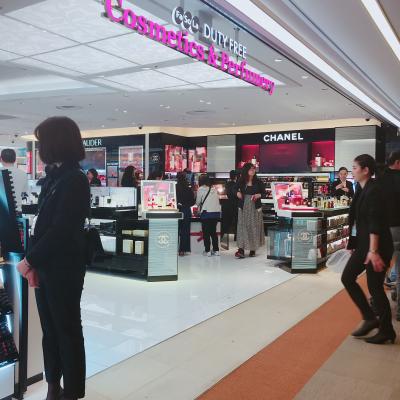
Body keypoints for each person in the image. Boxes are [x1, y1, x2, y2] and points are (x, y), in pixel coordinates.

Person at [16, 116, 90, 399]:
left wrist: (29, 261)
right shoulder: (53, 178)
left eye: (42, 141)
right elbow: (41, 225)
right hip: (46, 265)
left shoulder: (75, 180)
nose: (39, 148)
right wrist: (34, 262)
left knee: (67, 329)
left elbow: (61, 230)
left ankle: (72, 391)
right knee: (49, 330)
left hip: (64, 268)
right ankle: (52, 385)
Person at [341, 154, 395, 345]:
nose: (352, 171)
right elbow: (357, 220)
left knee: (375, 287)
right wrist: (353, 244)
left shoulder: (374, 190)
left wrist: (373, 251)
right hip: (365, 245)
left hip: (377, 247)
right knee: (348, 278)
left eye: (355, 167)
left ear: (365, 170)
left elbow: (375, 222)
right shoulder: (361, 189)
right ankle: (370, 318)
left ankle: (386, 330)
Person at [378, 150, 400, 320]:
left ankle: (377, 304)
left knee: (379, 268)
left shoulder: (381, 179)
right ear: (398, 162)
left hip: (384, 229)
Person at [235, 163, 265, 259]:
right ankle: (241, 249)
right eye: (251, 169)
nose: (253, 171)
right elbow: (233, 189)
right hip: (243, 206)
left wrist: (259, 195)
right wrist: (237, 192)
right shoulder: (241, 181)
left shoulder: (258, 182)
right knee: (242, 227)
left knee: (254, 227)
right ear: (246, 170)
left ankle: (253, 249)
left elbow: (264, 193)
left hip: (255, 207)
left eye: (254, 169)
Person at [196, 174, 221, 257]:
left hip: (206, 213)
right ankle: (216, 250)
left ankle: (207, 251)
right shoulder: (214, 189)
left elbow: (197, 202)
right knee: (213, 232)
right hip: (216, 213)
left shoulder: (200, 189)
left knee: (206, 233)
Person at [176, 171, 195, 256]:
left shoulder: (174, 188)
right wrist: (186, 204)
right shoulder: (188, 188)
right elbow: (193, 201)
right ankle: (182, 250)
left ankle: (173, 249)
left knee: (175, 230)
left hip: (176, 211)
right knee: (185, 231)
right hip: (186, 210)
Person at [221, 170, 238, 238]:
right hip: (235, 205)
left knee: (225, 222)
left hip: (226, 205)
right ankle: (236, 237)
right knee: (236, 222)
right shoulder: (237, 185)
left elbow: (225, 194)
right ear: (236, 177)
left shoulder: (227, 184)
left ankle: (221, 236)